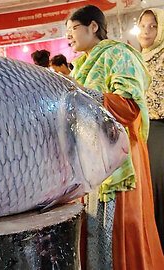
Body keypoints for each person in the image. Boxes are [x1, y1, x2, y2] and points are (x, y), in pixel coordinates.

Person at [66, 5, 164, 270]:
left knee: (119, 229)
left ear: (93, 26)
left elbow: (130, 107)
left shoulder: (119, 54)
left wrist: (84, 94)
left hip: (120, 157)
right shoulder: (83, 65)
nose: (69, 37)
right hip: (93, 161)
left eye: (73, 28)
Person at [137, 7, 164, 250]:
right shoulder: (136, 57)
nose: (146, 30)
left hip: (159, 129)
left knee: (158, 188)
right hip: (141, 131)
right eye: (143, 25)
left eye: (153, 26)